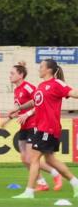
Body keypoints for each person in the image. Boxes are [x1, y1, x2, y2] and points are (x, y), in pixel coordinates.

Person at [11, 59, 78, 199]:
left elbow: (73, 92)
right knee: (49, 160)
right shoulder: (41, 85)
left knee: (33, 157)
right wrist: (20, 108)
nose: (39, 69)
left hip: (49, 128)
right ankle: (75, 183)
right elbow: (35, 101)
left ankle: (29, 191)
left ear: (49, 69)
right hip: (41, 127)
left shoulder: (56, 83)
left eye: (41, 66)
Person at [4, 61, 62, 191]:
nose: (10, 76)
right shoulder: (17, 90)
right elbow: (19, 109)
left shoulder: (28, 87)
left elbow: (39, 102)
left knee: (32, 158)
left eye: (12, 73)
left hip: (34, 124)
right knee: (24, 158)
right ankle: (42, 182)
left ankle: (55, 174)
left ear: (21, 75)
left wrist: (27, 114)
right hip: (24, 127)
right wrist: (8, 119)